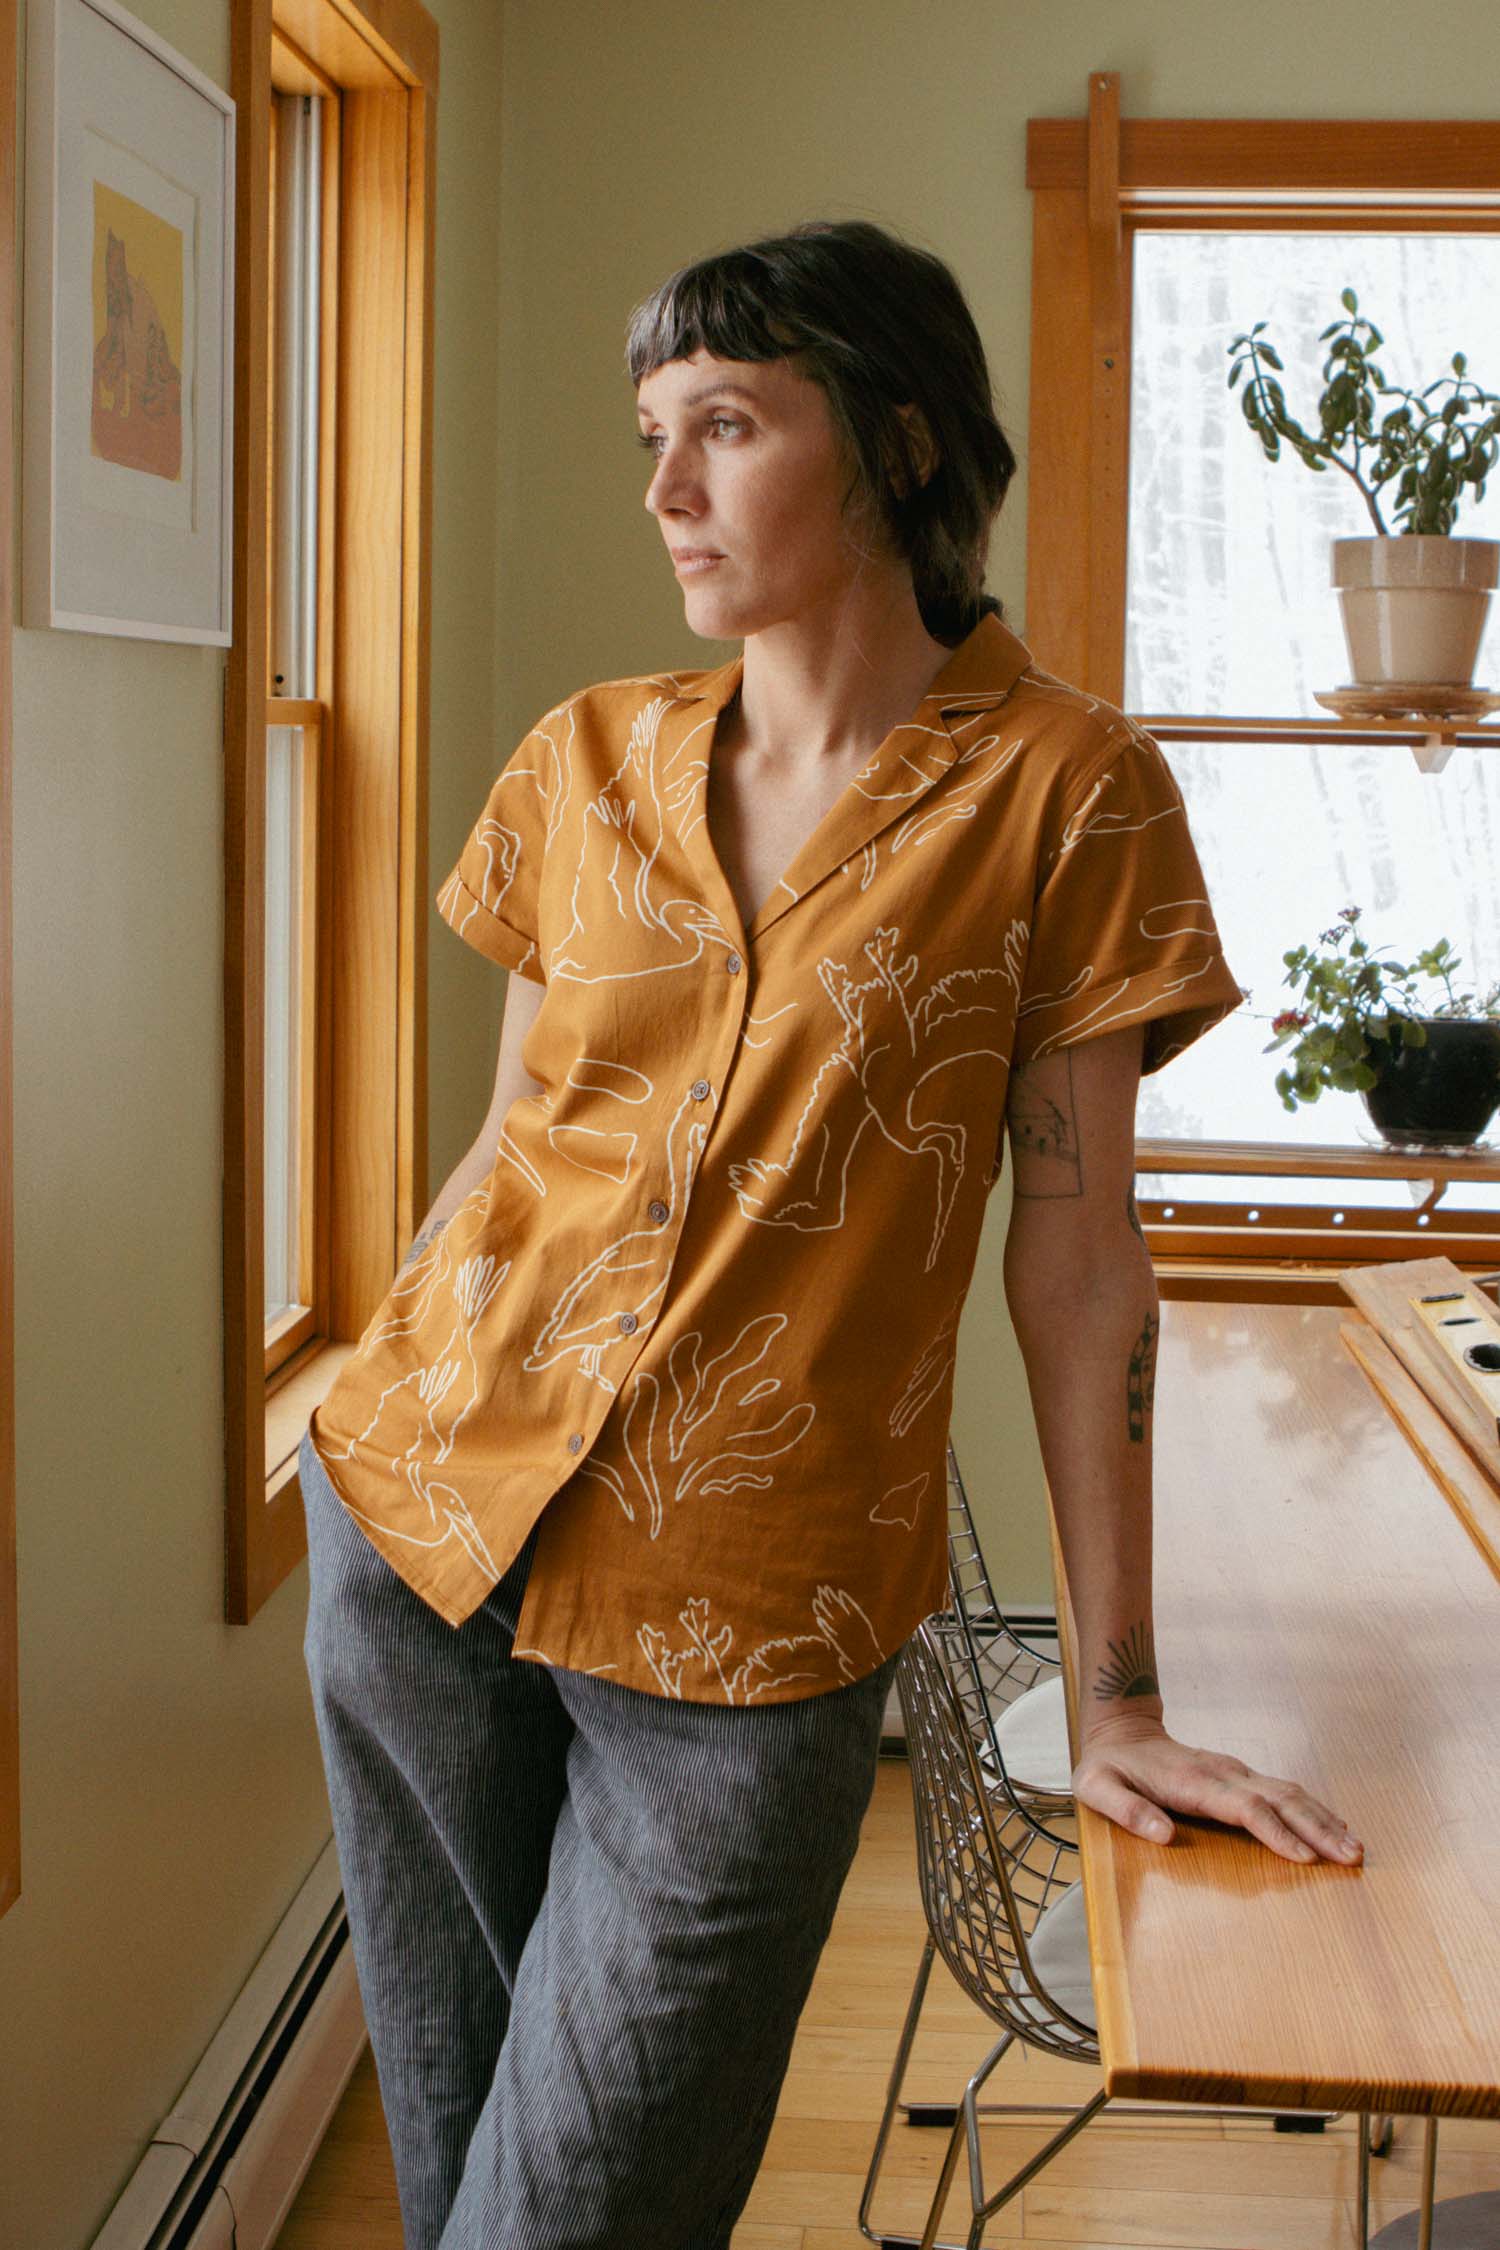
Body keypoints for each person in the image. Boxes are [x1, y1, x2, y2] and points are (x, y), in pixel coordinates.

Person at [299, 217, 1363, 2250]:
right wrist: (364, 1394)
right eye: (648, 434)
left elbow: (1078, 1264)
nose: (665, 487)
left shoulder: (1071, 796)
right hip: (419, 1545)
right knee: (460, 2173)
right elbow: (512, 1148)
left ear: (890, 445)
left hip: (752, 1627)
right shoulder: (585, 758)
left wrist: (1118, 1691)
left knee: (578, 2210)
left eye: (724, 423)